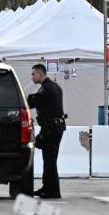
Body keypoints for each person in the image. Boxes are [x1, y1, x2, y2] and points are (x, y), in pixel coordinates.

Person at [26, 64, 65, 199]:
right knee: (49, 159)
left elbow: (32, 102)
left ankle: (52, 191)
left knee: (49, 159)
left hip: (51, 128)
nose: (32, 77)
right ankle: (47, 187)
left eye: (33, 75)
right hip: (54, 127)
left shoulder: (46, 89)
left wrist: (25, 98)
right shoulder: (55, 87)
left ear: (40, 73)